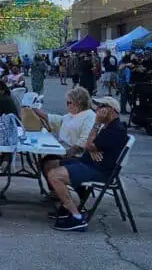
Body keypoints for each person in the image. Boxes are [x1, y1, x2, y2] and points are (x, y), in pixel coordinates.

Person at [41, 96, 128, 232]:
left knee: (54, 175)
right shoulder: (109, 126)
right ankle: (66, 207)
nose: (97, 110)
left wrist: (96, 124)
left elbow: (89, 144)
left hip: (99, 171)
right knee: (49, 163)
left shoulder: (115, 129)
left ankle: (77, 218)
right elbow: (91, 146)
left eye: (101, 106)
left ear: (111, 110)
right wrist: (91, 148)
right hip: (89, 163)